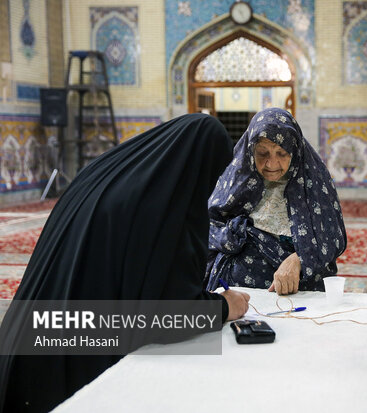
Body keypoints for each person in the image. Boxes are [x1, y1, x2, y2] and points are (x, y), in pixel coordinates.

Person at [0, 113, 250, 413]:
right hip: (62, 375)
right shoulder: (156, 210)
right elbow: (164, 315)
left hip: (28, 343)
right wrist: (224, 306)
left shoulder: (105, 175)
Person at [205, 108, 347, 295]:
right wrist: (233, 234)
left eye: (281, 153)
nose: (271, 164)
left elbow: (332, 236)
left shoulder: (312, 182)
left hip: (299, 291)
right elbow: (208, 226)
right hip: (238, 292)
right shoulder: (237, 180)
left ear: (294, 150)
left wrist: (299, 259)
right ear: (250, 150)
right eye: (262, 153)